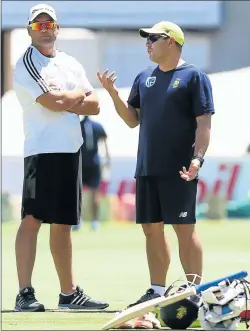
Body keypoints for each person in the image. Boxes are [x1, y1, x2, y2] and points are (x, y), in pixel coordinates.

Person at [97, 21, 214, 327]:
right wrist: (112, 95)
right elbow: (132, 120)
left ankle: (193, 291)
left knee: (184, 228)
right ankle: (157, 290)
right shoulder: (143, 77)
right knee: (151, 229)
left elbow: (204, 124)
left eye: (153, 38)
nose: (147, 44)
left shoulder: (194, 77)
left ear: (172, 42)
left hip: (179, 169)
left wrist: (197, 160)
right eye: (146, 39)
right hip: (147, 167)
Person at [13, 3, 109, 312]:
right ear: (30, 30)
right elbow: (52, 102)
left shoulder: (70, 62)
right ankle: (24, 293)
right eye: (38, 25)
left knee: (64, 224)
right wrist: (76, 97)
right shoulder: (27, 62)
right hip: (42, 150)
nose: (44, 29)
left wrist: (70, 99)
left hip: (70, 150)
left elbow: (95, 106)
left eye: (49, 24)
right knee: (32, 219)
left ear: (57, 28)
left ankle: (69, 294)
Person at [73, 115, 110, 231]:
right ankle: (94, 221)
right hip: (93, 162)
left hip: (80, 161)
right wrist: (107, 158)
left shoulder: (76, 125)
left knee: (78, 193)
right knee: (94, 193)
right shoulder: (97, 126)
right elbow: (104, 142)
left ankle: (78, 221)